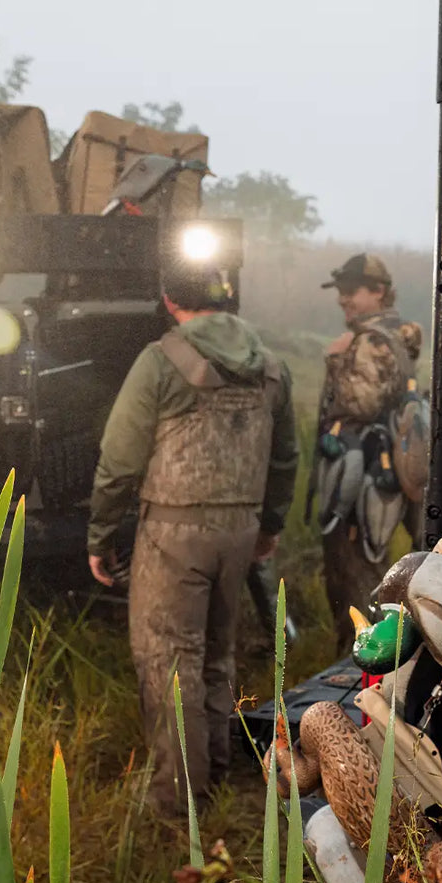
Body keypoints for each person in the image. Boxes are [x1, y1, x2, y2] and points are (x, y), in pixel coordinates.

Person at [86, 261, 299, 818]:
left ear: (167, 299)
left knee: (166, 660)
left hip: (174, 532)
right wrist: (270, 525)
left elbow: (120, 458)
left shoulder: (161, 360)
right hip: (241, 530)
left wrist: (101, 533)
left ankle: (177, 803)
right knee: (215, 657)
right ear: (227, 297)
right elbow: (285, 457)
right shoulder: (272, 367)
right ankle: (217, 777)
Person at [313, 253, 423, 653]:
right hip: (387, 476)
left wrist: (338, 358)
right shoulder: (396, 335)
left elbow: (361, 403)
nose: (343, 299)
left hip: (363, 488)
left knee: (354, 581)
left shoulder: (370, 341)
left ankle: (359, 672)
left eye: (351, 291)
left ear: (378, 291)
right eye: (340, 291)